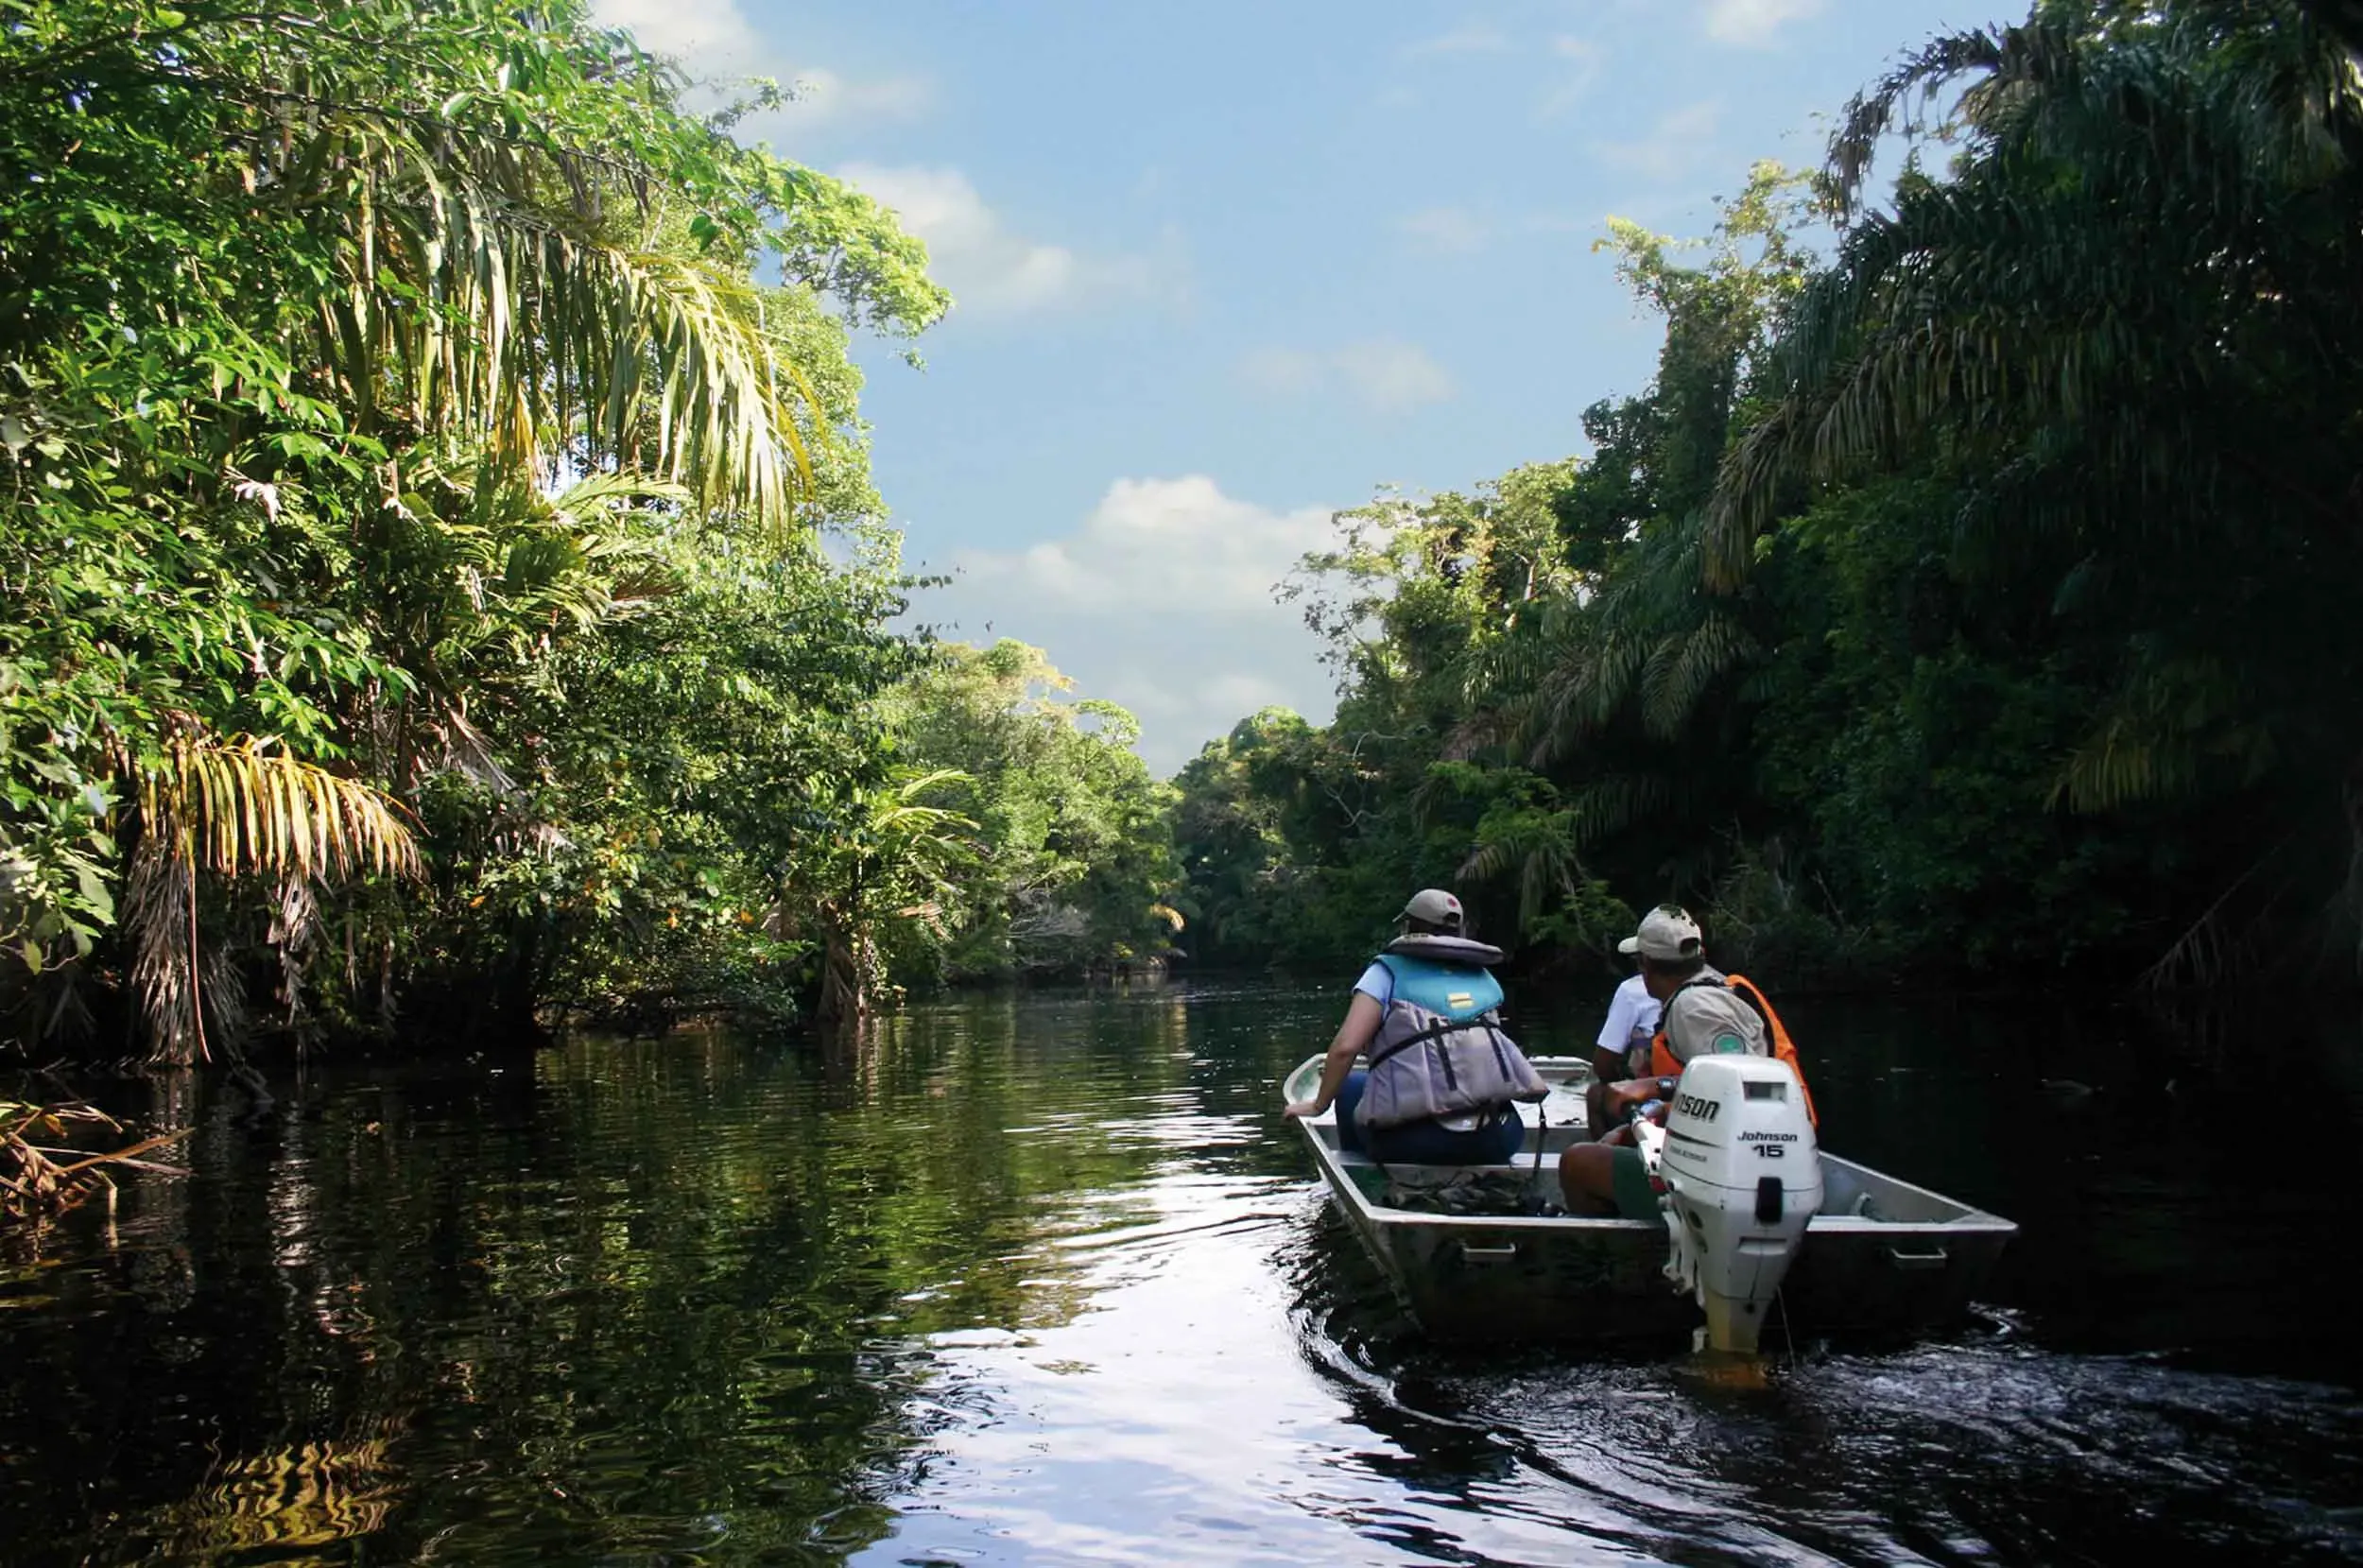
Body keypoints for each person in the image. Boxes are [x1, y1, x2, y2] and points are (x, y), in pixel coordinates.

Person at [1560, 905, 1816, 1217]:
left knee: (1576, 1163)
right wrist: (1637, 1125)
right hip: (1759, 1163)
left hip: (1732, 1181)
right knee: (1618, 1138)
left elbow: (1741, 1086)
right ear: (1700, 954)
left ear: (1645, 966)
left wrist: (1651, 1085)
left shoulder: (1694, 1008)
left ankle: (1614, 1258)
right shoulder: (1716, 991)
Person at [1284, 888, 1547, 1164]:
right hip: (1499, 1138)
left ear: (1409, 926)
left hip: (1419, 1143)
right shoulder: (1481, 976)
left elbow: (1345, 1048)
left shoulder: (1385, 973)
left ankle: (1363, 1176)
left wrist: (1317, 1106)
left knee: (1350, 1086)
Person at [1584, 961, 1661, 1137]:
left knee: (1596, 1094)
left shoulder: (1632, 989)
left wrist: (1621, 1086)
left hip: (1661, 1092)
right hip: (1698, 1091)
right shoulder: (1720, 984)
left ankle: (1605, 1157)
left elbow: (1603, 1065)